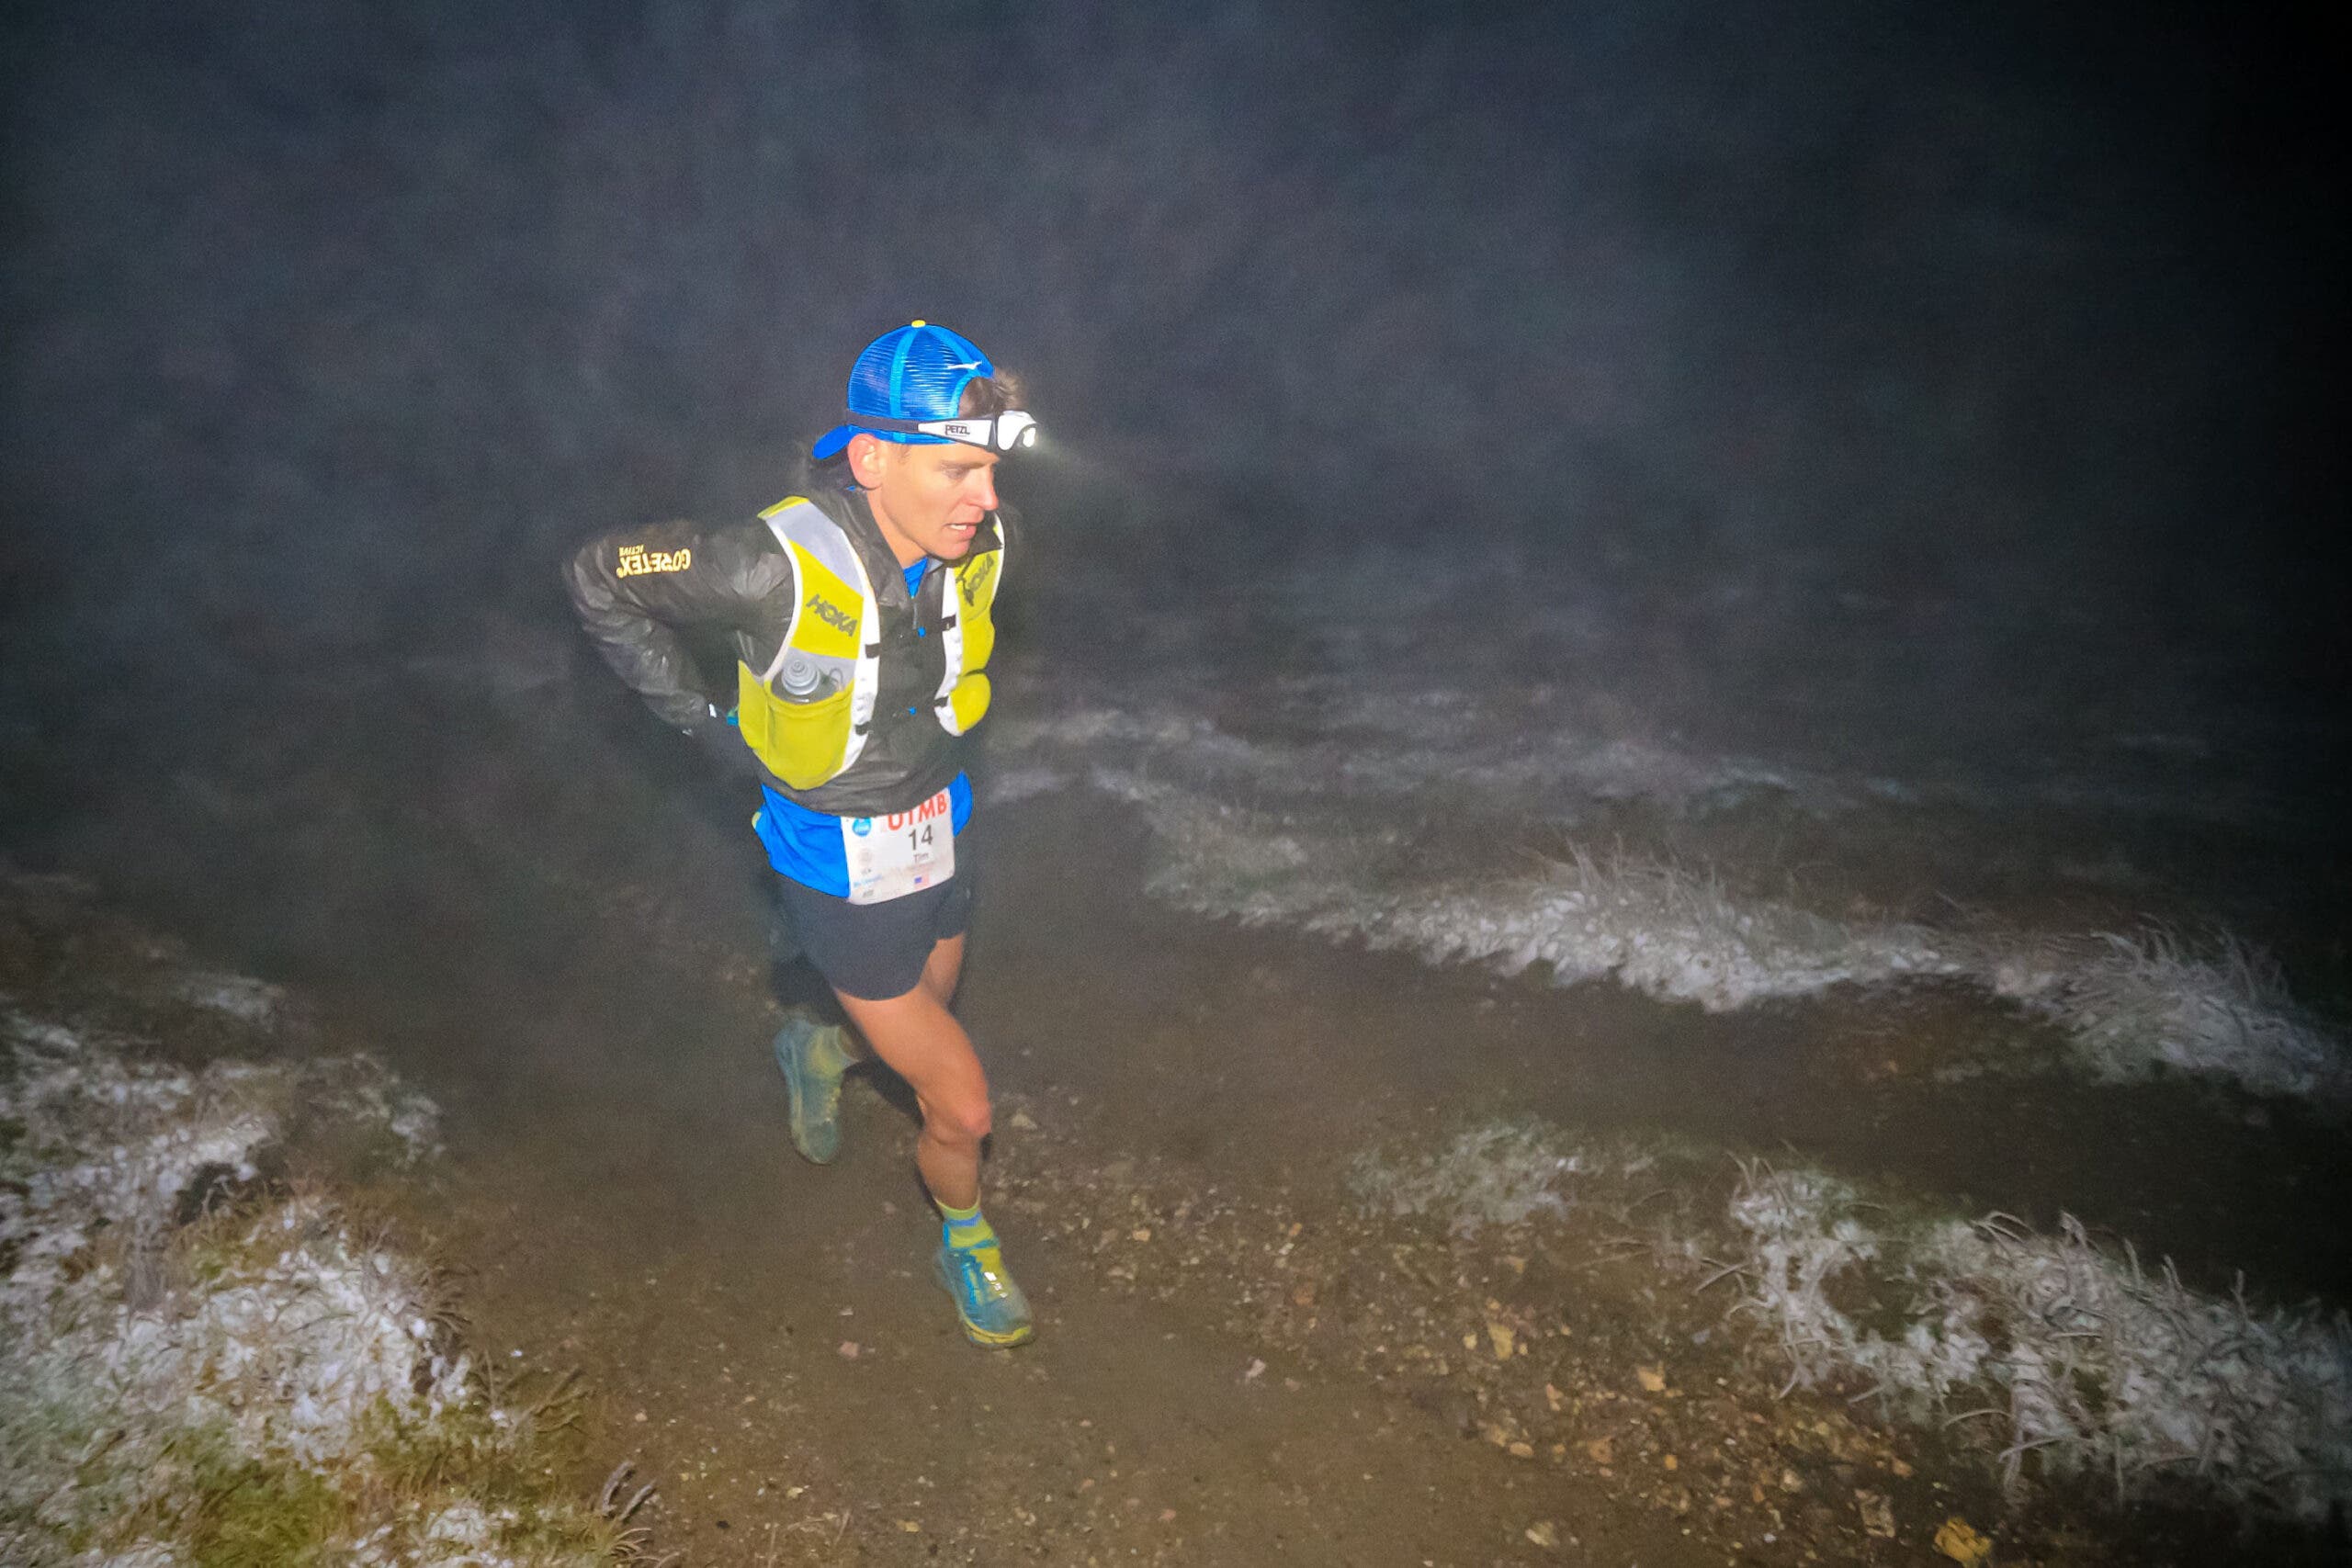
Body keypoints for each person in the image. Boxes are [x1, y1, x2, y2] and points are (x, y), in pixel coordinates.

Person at [564, 321, 1039, 1348]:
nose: (987, 499)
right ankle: (965, 1233)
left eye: (992, 471)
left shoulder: (978, 541)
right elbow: (600, 575)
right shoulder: (760, 566)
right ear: (871, 457)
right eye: (958, 470)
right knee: (960, 1103)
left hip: (941, 823)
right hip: (835, 853)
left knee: (922, 1016)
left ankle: (814, 1044)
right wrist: (704, 725)